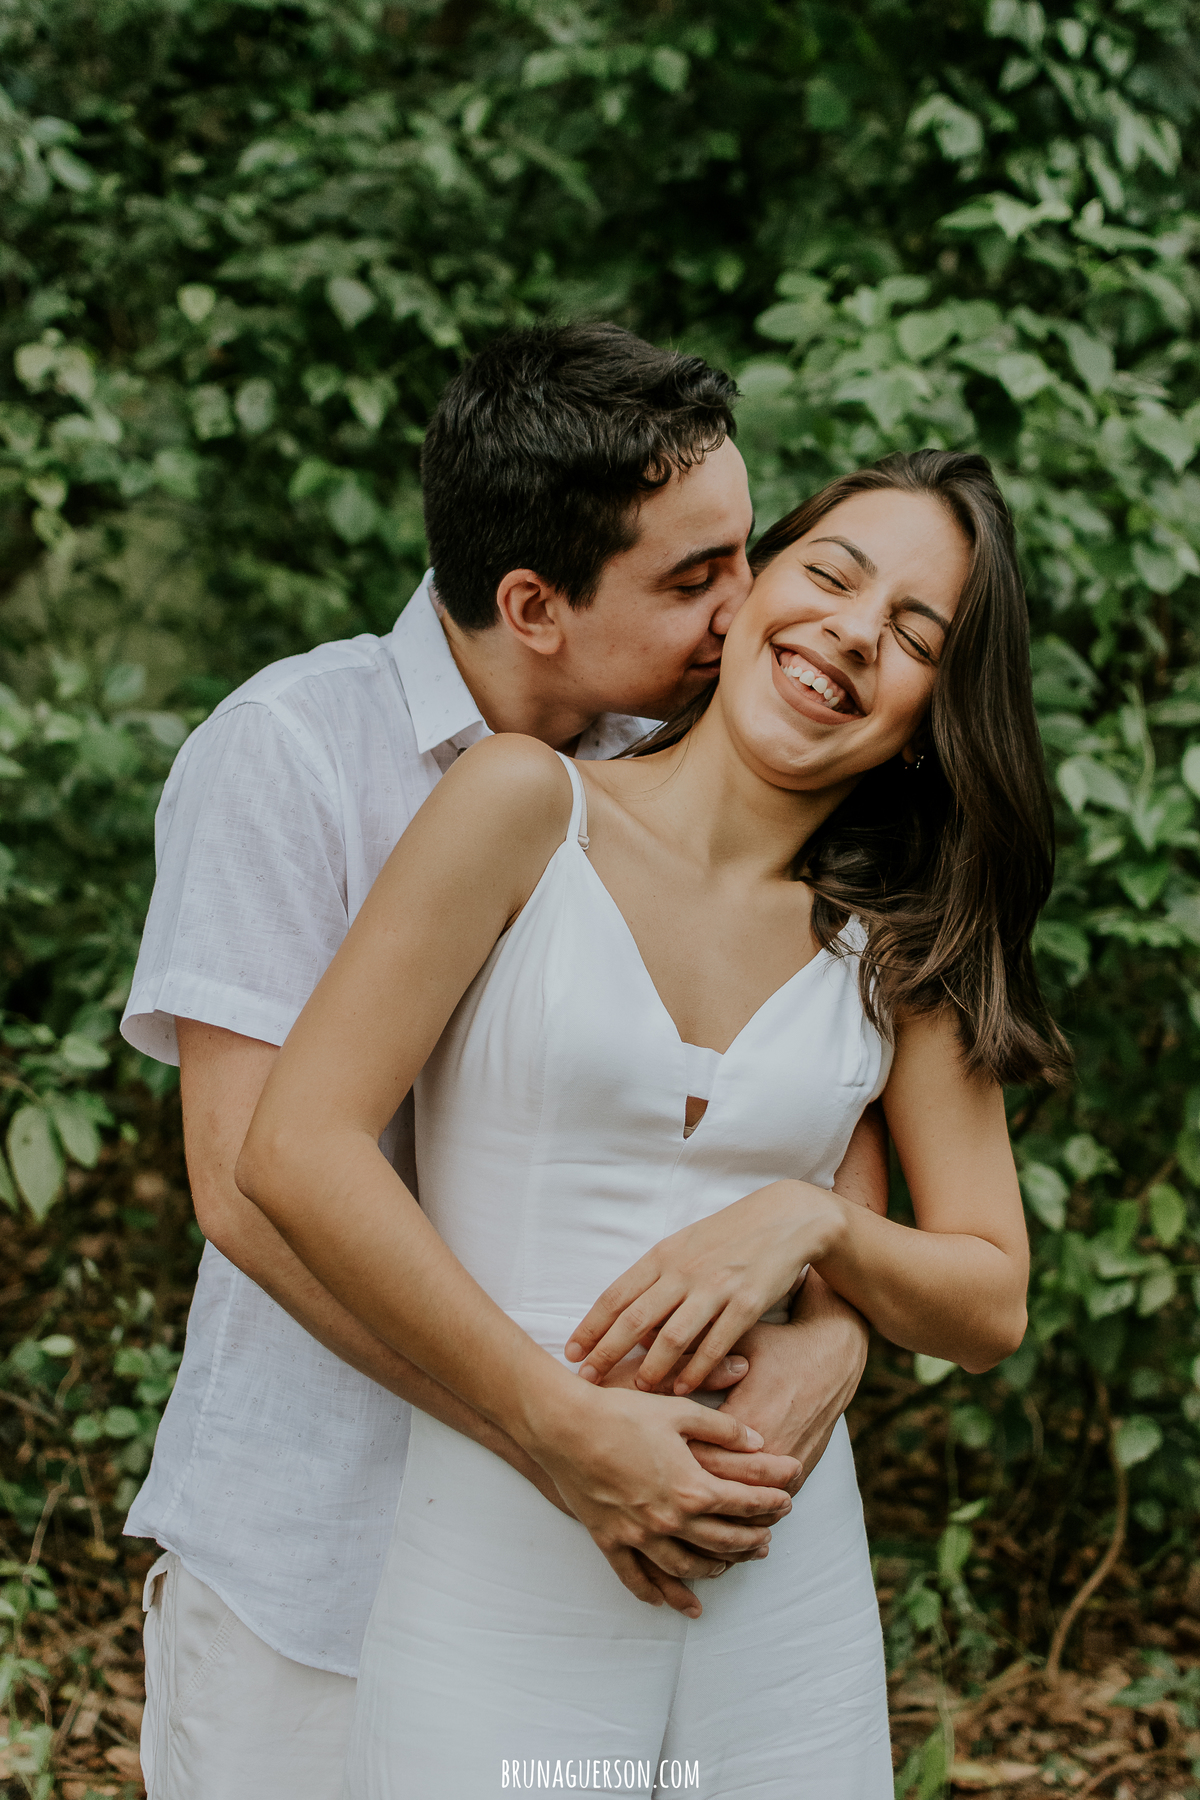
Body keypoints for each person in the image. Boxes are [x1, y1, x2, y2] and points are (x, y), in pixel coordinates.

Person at [121, 323, 889, 1800]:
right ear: (533, 603)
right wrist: (552, 1437)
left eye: (747, 552)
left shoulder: (685, 767)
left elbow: (817, 1089)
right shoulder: (289, 752)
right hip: (322, 1566)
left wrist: (837, 1335)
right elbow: (245, 1189)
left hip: (621, 1575)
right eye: (693, 578)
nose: (750, 612)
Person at [238, 448, 1069, 1797]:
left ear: (930, 716)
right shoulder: (521, 806)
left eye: (917, 635)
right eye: (833, 576)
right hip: (504, 1550)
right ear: (743, 596)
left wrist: (813, 1229)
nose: (855, 635)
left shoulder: (892, 947)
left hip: (778, 1596)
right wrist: (556, 1424)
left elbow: (989, 1300)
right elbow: (294, 1150)